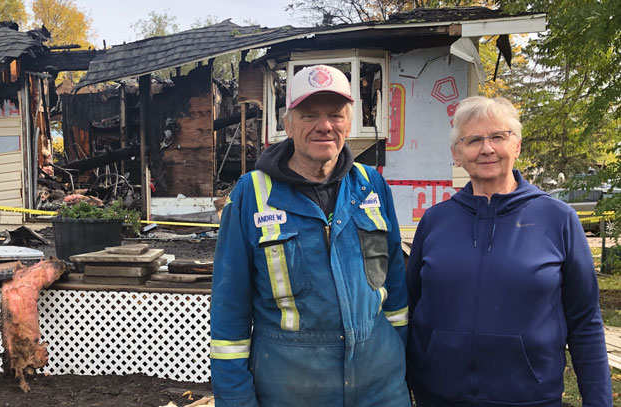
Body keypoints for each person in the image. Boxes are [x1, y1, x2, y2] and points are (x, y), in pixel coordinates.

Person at [209, 64, 410, 407]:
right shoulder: (251, 196)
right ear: (287, 123)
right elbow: (229, 311)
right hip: (291, 389)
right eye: (309, 115)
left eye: (336, 114)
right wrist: (235, 399)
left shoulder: (370, 185)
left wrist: (398, 360)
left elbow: (396, 289)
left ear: (350, 122)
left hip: (380, 386)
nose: (324, 126)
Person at [406, 96, 612, 406]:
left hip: (530, 398)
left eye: (497, 137)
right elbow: (410, 304)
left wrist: (599, 401)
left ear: (516, 146)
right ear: (457, 153)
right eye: (473, 139)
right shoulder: (435, 220)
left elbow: (585, 322)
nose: (486, 148)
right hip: (438, 397)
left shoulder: (557, 219)